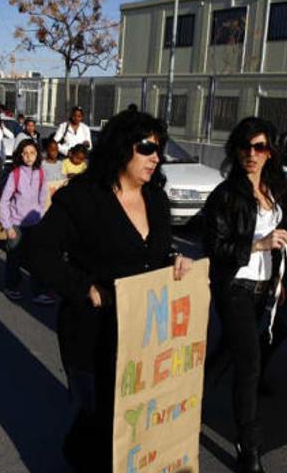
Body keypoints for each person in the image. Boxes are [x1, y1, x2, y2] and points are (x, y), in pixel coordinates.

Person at [26, 109, 193, 470]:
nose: (155, 157)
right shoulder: (83, 198)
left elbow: (156, 255)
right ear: (121, 147)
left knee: (133, 416)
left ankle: (81, 449)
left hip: (144, 332)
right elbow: (37, 251)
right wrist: (85, 288)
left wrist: (177, 261)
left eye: (159, 149)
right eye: (147, 147)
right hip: (95, 328)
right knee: (105, 415)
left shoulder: (157, 200)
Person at [202, 117, 287, 473]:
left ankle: (188, 401)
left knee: (229, 353)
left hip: (264, 288)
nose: (251, 155)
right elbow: (215, 246)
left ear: (270, 152)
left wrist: (278, 281)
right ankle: (248, 447)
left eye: (259, 147)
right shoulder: (225, 194)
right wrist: (258, 244)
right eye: (245, 148)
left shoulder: (274, 189)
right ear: (235, 151)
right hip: (234, 288)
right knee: (249, 366)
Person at [0, 139, 52, 304]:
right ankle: (11, 287)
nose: (29, 157)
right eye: (25, 153)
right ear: (20, 155)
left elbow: (43, 199)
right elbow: (4, 201)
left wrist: (41, 218)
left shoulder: (41, 173)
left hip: (35, 224)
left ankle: (39, 292)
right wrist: (7, 226)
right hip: (16, 224)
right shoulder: (14, 174)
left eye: (32, 153)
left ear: (37, 154)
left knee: (38, 258)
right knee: (15, 257)